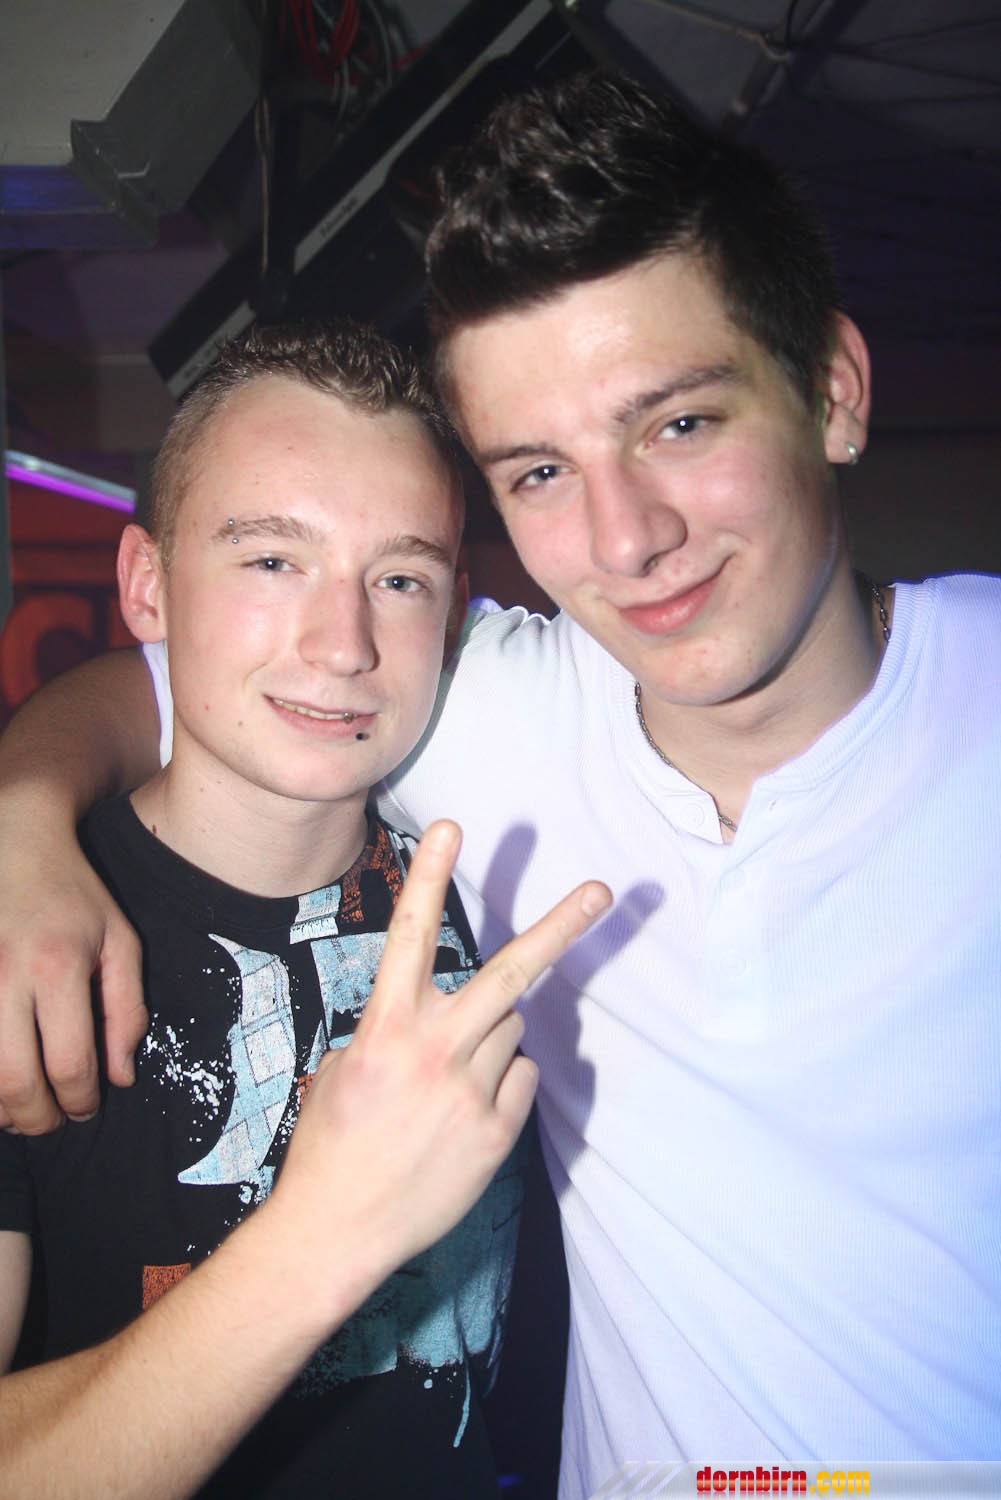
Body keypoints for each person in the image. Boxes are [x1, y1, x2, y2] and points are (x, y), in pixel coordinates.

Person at [0, 67, 998, 1500]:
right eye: (536, 471)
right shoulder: (480, 711)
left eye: (679, 424)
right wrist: (24, 822)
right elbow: (179, 680)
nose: (625, 537)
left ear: (830, 392)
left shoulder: (456, 716)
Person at [0, 319, 609, 1500]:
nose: (343, 646)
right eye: (272, 561)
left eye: (399, 578)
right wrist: (326, 1230)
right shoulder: (27, 948)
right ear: (147, 585)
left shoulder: (510, 894)